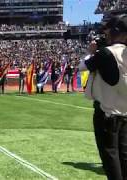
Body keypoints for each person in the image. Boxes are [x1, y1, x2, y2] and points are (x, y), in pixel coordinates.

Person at [78, 15, 127, 180]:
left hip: (106, 113)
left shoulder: (106, 53)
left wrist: (90, 52)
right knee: (124, 158)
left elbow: (82, 66)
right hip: (124, 113)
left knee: (110, 158)